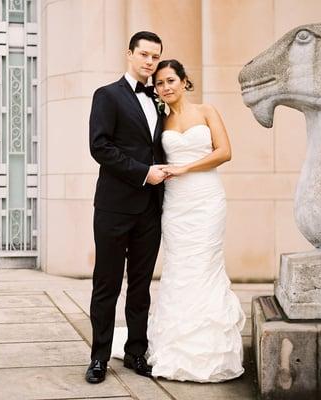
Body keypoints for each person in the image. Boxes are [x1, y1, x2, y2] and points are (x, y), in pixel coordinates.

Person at [112, 60, 246, 382]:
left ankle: (211, 349)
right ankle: (175, 347)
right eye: (159, 84)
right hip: (176, 206)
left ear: (185, 81)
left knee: (206, 266)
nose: (165, 87)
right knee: (180, 269)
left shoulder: (207, 111)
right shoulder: (160, 121)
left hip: (207, 200)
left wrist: (184, 169)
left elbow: (224, 151)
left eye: (170, 80)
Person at [86, 31, 167, 384]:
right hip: (114, 208)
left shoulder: (160, 98)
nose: (150, 62)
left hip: (150, 210)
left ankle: (136, 352)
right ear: (129, 54)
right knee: (106, 285)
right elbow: (100, 147)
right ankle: (99, 358)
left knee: (140, 285)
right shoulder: (107, 96)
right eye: (144, 55)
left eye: (155, 56)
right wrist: (143, 174)